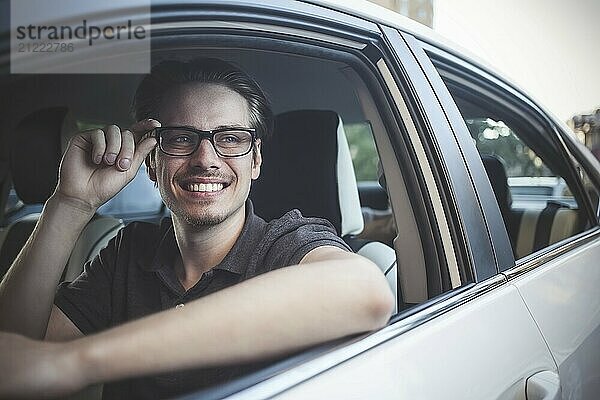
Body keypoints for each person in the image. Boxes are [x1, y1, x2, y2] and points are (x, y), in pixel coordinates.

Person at [0, 58, 394, 399]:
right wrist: (70, 204)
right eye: (181, 139)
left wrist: (76, 363)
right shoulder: (127, 252)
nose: (206, 159)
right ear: (151, 163)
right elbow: (15, 352)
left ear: (255, 161)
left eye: (231, 138)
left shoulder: (287, 245)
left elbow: (368, 292)